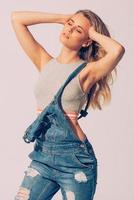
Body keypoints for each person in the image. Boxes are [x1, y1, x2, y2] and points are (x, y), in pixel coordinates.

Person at [11, 9, 125, 200]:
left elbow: (117, 50)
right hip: (42, 156)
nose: (69, 30)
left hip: (75, 160)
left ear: (86, 40)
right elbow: (17, 19)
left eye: (78, 30)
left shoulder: (87, 72)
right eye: (69, 24)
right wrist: (61, 19)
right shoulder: (44, 61)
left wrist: (93, 33)